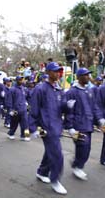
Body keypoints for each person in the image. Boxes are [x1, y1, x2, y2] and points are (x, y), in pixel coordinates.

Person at [29, 62, 68, 195]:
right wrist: (33, 128)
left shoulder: (58, 88)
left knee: (50, 152)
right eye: (55, 71)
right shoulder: (40, 89)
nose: (58, 74)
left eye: (59, 71)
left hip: (57, 125)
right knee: (57, 155)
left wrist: (68, 105)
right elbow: (34, 109)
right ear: (48, 72)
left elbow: (61, 107)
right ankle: (55, 180)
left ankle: (42, 172)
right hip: (47, 127)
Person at [64, 67, 100, 181]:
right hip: (78, 125)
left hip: (88, 124)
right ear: (79, 77)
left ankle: (77, 163)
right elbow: (68, 111)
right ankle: (77, 167)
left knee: (87, 149)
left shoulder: (89, 90)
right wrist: (70, 127)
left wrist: (98, 120)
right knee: (83, 147)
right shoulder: (72, 92)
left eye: (88, 75)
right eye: (85, 75)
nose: (88, 77)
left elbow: (94, 107)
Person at [6, 75, 30, 141]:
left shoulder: (24, 89)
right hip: (15, 110)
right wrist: (10, 109)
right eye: (20, 80)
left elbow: (27, 96)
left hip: (23, 109)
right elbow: (9, 100)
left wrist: (27, 103)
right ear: (17, 80)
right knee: (14, 124)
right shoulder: (12, 89)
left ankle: (24, 136)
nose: (21, 81)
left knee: (25, 124)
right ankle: (11, 133)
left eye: (22, 79)